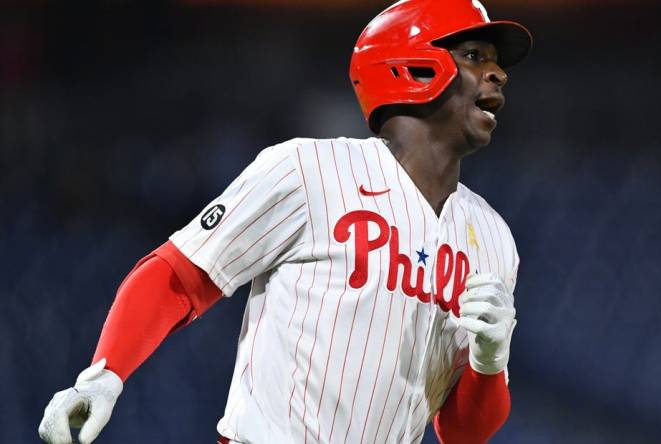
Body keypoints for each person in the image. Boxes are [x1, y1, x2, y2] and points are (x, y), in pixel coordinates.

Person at [38, 0, 531, 443]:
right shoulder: (308, 170)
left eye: (495, 62)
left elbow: (463, 434)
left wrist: (489, 362)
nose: (497, 74)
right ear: (413, 66)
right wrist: (104, 375)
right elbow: (180, 275)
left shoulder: (491, 239)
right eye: (473, 55)